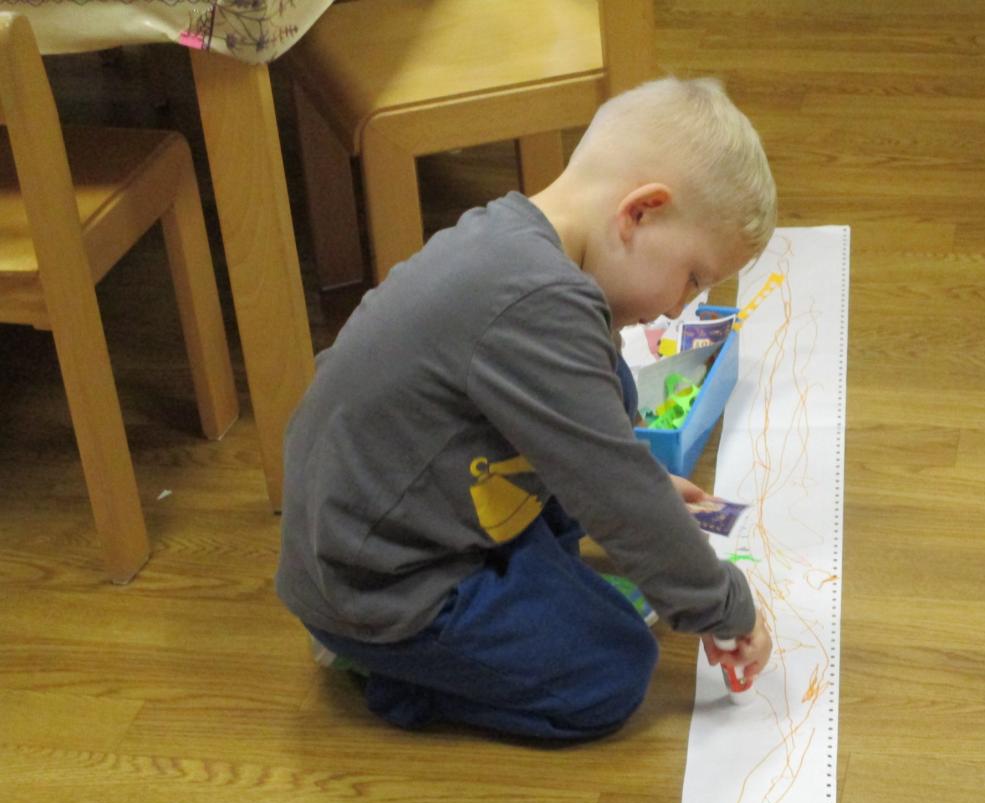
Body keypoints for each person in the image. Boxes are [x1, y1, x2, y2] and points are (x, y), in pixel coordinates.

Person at [275, 76, 776, 740]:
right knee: (617, 669)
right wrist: (725, 606)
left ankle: (512, 587)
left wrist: (643, 487)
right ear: (640, 213)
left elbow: (598, 452)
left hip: (396, 517)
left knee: (611, 383)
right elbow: (618, 497)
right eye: (692, 278)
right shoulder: (538, 303)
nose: (678, 308)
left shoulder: (512, 239)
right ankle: (402, 677)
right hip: (382, 587)